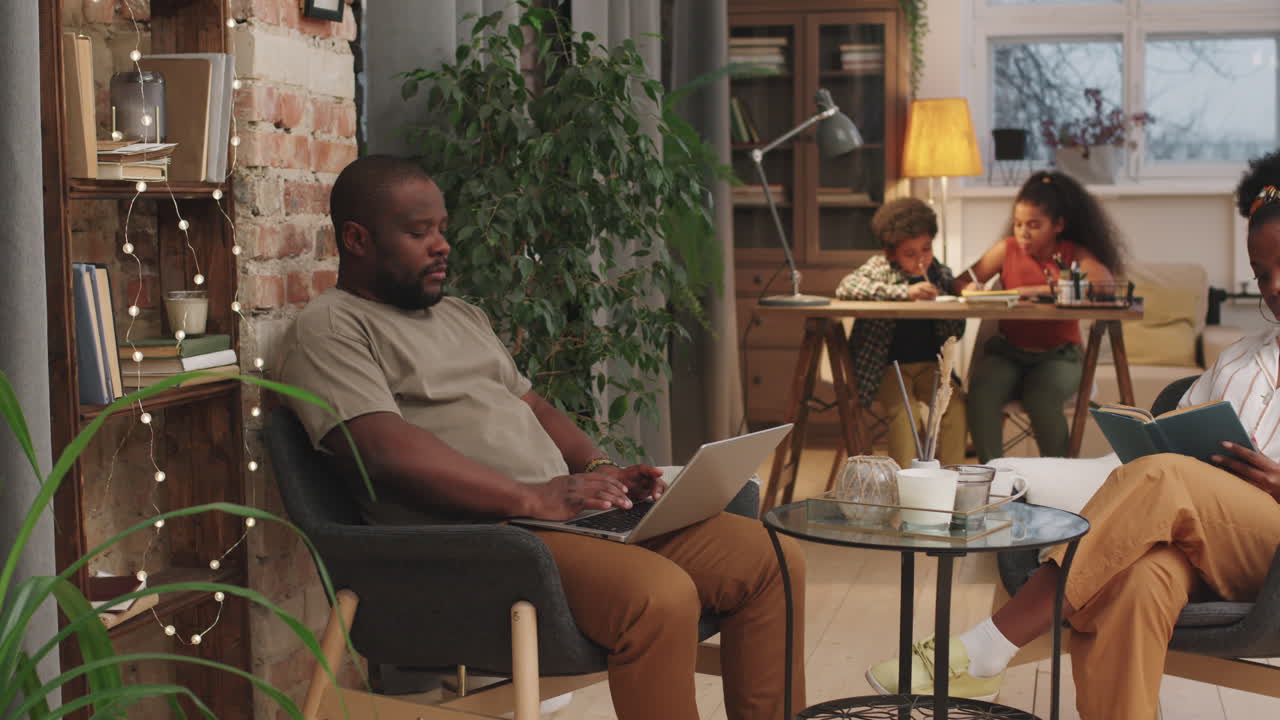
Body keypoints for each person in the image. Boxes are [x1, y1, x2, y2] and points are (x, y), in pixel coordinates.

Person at [275, 155, 807, 720]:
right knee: (661, 596)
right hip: (485, 543)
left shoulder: (459, 315)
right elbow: (379, 449)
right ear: (357, 238)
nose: (441, 246)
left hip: (565, 518)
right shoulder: (331, 329)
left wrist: (602, 468)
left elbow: (532, 404)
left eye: (442, 229)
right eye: (418, 232)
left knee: (772, 559)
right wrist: (532, 498)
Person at [866, 150, 1280, 719]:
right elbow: (1152, 452)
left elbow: (1162, 474)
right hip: (1197, 541)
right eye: (1261, 275)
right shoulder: (1236, 359)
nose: (1275, 287)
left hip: (1271, 547)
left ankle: (985, 648)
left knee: (1165, 477)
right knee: (1136, 581)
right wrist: (1020, 474)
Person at [955, 170, 1125, 462]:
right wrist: (970, 286)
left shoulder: (1071, 253)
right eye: (1019, 224)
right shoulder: (1006, 249)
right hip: (1009, 352)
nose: (1023, 232)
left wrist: (1031, 290)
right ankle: (993, 475)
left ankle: (1059, 476)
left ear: (1058, 225)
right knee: (982, 390)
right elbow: (961, 281)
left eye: (1034, 225)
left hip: (1059, 356)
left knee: (1041, 397)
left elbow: (1104, 284)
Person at [834, 197, 967, 467]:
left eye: (926, 249)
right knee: (905, 414)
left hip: (931, 365)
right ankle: (905, 483)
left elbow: (955, 333)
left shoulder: (940, 274)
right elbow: (846, 288)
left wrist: (949, 304)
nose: (921, 259)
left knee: (956, 409)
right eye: (911, 253)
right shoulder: (879, 268)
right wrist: (904, 293)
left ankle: (954, 480)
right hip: (886, 367)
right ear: (892, 253)